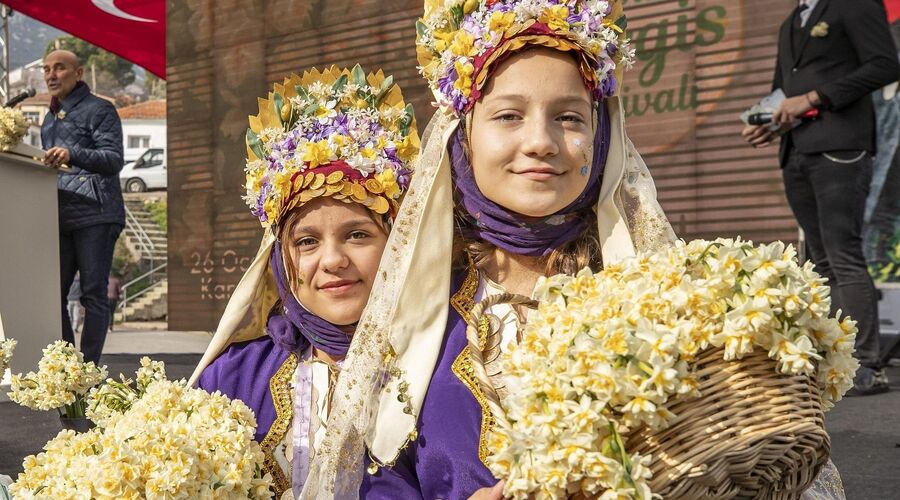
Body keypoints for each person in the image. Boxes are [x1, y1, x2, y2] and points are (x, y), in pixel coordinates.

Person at [300, 1, 676, 498]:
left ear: (601, 137)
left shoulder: (657, 296)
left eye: (568, 117)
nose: (541, 141)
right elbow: (374, 475)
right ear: (464, 140)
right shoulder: (415, 314)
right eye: (508, 116)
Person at [187, 66, 419, 499]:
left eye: (358, 235)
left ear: (399, 244)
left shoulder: (439, 369)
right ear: (279, 258)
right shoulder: (234, 380)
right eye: (307, 241)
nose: (332, 261)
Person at [741, 0, 899, 395]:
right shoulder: (791, 20)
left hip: (842, 146)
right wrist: (768, 121)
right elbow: (783, 90)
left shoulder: (855, 5)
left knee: (843, 254)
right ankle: (835, 361)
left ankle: (868, 365)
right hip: (796, 149)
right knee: (820, 259)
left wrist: (814, 98)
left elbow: (885, 65)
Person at [41, 49, 126, 364]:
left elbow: (113, 159)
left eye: (59, 68)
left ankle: (88, 369)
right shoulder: (49, 118)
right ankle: (67, 369)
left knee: (92, 293)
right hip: (61, 216)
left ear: (78, 73)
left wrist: (71, 152)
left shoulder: (100, 110)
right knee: (54, 296)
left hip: (97, 214)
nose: (51, 75)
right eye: (47, 69)